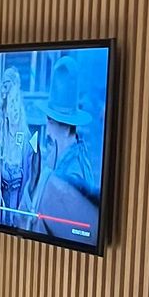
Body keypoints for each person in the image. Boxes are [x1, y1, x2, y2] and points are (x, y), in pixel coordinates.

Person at [30, 53, 101, 242]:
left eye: (49, 121)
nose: (46, 130)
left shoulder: (71, 174)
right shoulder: (68, 154)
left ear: (61, 125)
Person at [0, 67, 35, 224]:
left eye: (17, 101)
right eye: (11, 102)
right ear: (5, 108)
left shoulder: (27, 138)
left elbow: (32, 180)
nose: (15, 108)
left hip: (19, 216)